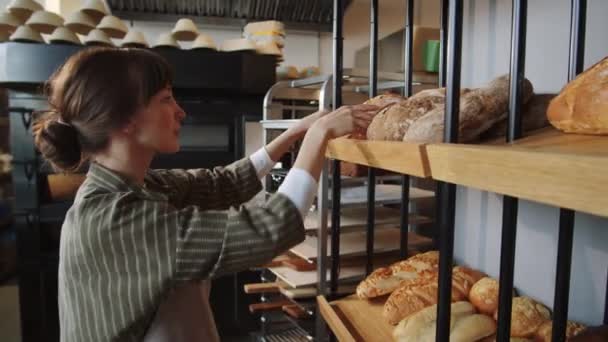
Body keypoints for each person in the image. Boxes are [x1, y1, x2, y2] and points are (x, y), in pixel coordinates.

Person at [33, 47, 378, 342]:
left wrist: (293, 134)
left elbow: (220, 183)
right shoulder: (114, 219)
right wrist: (318, 139)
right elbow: (268, 229)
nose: (180, 111)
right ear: (125, 119)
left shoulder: (136, 185)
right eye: (166, 99)